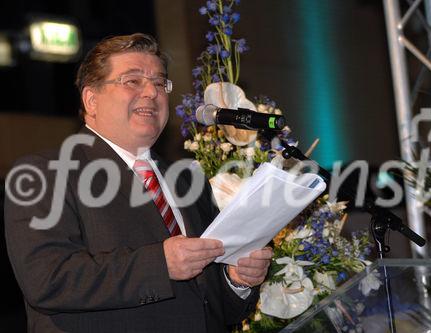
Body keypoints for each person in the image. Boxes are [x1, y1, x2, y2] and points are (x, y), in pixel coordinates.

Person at [4, 33, 272, 332]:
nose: (151, 92)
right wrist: (160, 265)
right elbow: (48, 280)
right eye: (132, 81)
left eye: (159, 83)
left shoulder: (187, 180)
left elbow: (214, 306)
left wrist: (237, 281)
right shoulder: (46, 173)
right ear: (91, 100)